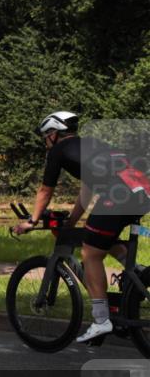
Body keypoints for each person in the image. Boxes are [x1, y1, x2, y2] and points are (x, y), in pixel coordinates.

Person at [14, 111, 150, 342]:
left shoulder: (58, 151)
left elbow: (45, 190)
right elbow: (86, 192)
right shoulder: (92, 145)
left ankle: (101, 320)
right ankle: (137, 274)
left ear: (54, 134)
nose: (46, 143)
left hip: (119, 196)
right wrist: (71, 223)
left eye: (45, 137)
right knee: (99, 237)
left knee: (89, 254)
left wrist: (31, 220)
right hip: (142, 192)